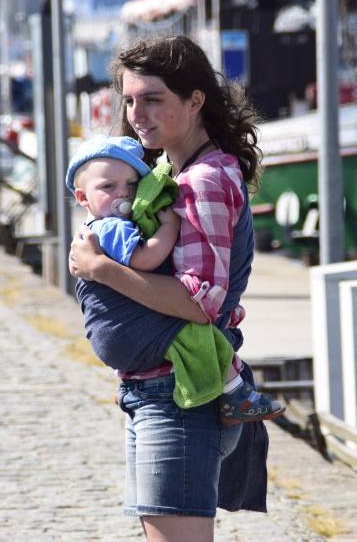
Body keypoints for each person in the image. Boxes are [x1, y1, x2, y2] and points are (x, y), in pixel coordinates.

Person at [69, 35, 270, 542]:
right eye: (129, 100)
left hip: (178, 399)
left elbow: (200, 302)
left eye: (153, 99)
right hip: (155, 391)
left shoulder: (202, 181)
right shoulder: (166, 173)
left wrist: (99, 268)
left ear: (195, 99)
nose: (137, 115)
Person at [66, 134, 284, 421]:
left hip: (117, 343)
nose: (123, 193)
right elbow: (146, 258)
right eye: (108, 186)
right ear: (82, 197)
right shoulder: (111, 227)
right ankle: (234, 393)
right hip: (135, 344)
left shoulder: (97, 227)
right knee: (202, 338)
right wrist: (169, 225)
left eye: (131, 184)